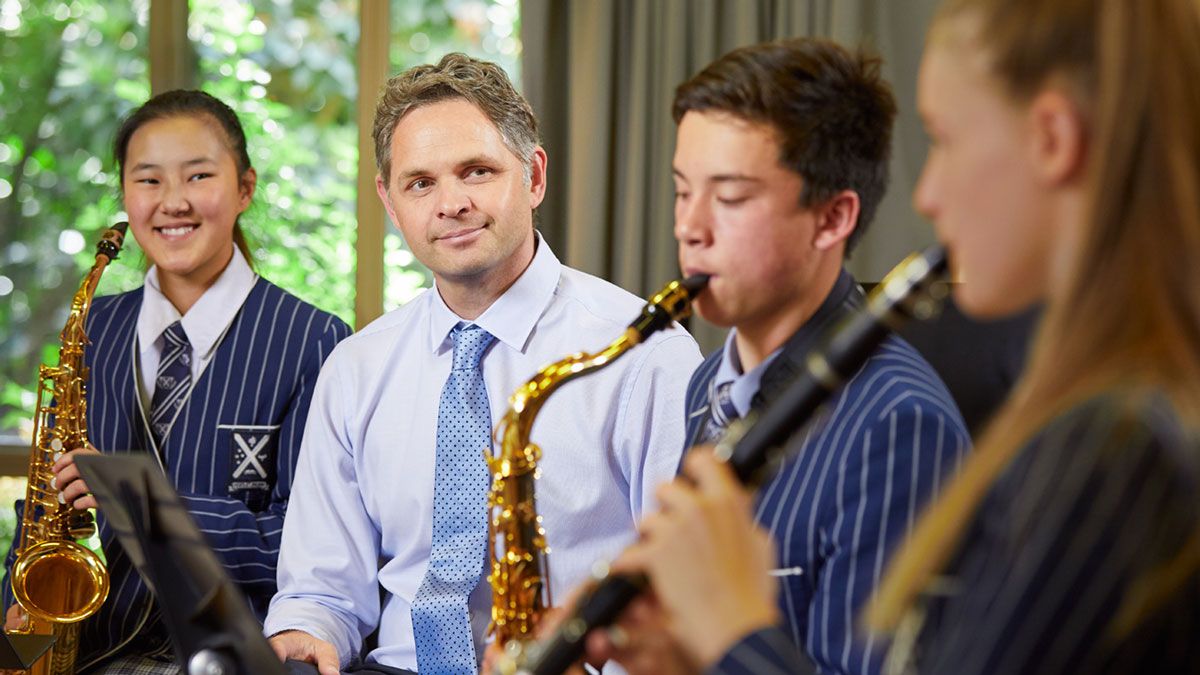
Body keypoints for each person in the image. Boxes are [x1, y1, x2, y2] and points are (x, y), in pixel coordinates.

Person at [264, 53, 701, 675]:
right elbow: (322, 589)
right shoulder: (355, 368)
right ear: (391, 203)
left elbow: (684, 597)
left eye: (476, 171)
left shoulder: (645, 355)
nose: (451, 203)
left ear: (534, 176)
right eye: (421, 183)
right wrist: (307, 630)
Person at [582, 39, 971, 675]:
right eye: (683, 191)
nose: (690, 226)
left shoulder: (899, 426)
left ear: (831, 219)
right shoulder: (708, 380)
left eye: (730, 198)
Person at [863, 0, 1200, 672]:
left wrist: (734, 635)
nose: (926, 195)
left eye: (944, 139)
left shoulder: (1114, 448)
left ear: (1052, 137)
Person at [1, 89, 352, 674]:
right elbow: (47, 510)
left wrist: (148, 508)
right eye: (148, 181)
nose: (173, 203)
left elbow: (311, 543)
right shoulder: (93, 329)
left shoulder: (314, 340)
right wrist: (17, 601)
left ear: (245, 188)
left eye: (198, 176)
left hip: (230, 656)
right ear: (124, 196)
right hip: (82, 650)